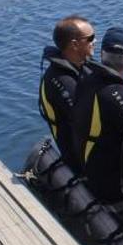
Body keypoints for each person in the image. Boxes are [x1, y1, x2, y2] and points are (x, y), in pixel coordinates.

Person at [70, 27, 123, 202]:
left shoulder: (87, 79)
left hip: (93, 171)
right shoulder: (119, 94)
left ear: (101, 54)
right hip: (114, 187)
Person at [39, 15, 96, 169]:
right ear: (75, 45)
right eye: (90, 38)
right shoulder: (62, 81)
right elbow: (85, 120)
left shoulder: (81, 66)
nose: (95, 41)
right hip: (78, 156)